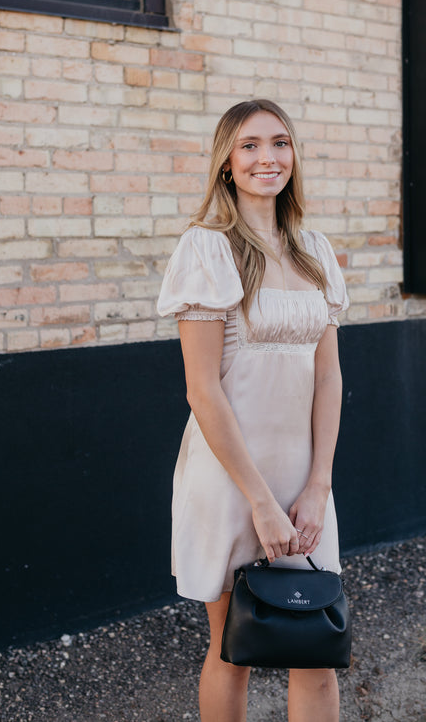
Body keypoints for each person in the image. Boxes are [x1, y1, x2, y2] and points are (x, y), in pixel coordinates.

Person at [157, 99, 349, 722]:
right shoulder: (206, 249)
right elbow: (202, 390)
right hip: (232, 477)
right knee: (232, 648)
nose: (267, 157)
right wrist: (261, 502)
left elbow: (329, 377)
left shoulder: (315, 250)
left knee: (315, 648)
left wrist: (318, 484)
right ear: (226, 164)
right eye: (249, 146)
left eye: (280, 143)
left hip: (303, 478)